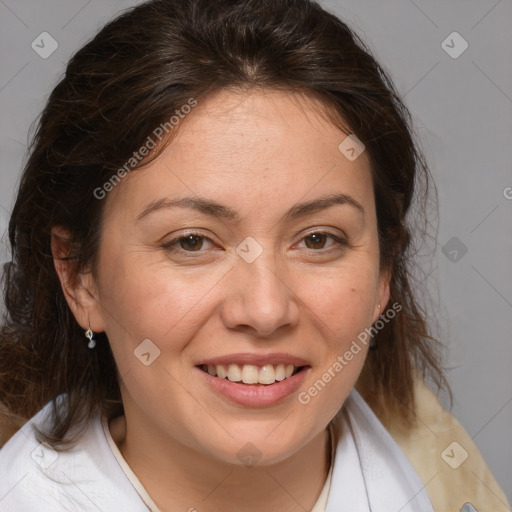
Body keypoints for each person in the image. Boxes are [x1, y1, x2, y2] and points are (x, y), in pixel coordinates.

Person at [0, 0, 509, 511]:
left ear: (384, 274)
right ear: (79, 278)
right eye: (192, 242)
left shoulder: (449, 482)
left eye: (317, 239)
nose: (265, 310)